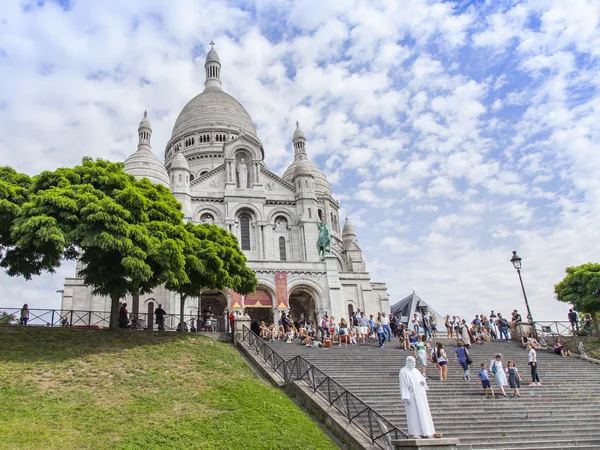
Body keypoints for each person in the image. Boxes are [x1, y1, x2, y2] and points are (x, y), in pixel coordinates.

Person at [399, 356, 436, 438]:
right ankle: (415, 432)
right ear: (407, 362)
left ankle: (427, 431)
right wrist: (406, 396)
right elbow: (403, 385)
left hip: (420, 394)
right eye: (412, 362)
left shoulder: (416, 370)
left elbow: (422, 378)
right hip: (412, 395)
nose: (413, 364)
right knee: (413, 414)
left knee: (424, 412)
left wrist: (423, 382)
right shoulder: (403, 371)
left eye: (414, 362)